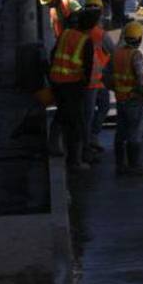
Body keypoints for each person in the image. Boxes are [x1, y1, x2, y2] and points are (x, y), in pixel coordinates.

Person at [48, 18, 95, 170]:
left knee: (62, 113)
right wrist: (84, 87)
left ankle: (54, 143)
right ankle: (75, 161)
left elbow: (53, 55)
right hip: (73, 84)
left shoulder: (65, 34)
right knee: (76, 123)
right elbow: (88, 68)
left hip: (57, 80)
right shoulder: (86, 41)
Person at [109, 21, 143, 176]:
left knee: (121, 132)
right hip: (134, 99)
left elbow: (107, 77)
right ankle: (134, 166)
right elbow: (141, 78)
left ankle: (120, 165)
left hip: (120, 99)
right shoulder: (136, 55)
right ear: (138, 39)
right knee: (135, 133)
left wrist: (117, 89)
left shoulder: (116, 54)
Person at [82, 0, 111, 161]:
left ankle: (90, 139)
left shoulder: (78, 31)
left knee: (92, 111)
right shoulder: (101, 35)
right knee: (97, 109)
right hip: (95, 78)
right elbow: (114, 53)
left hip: (88, 78)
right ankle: (88, 142)